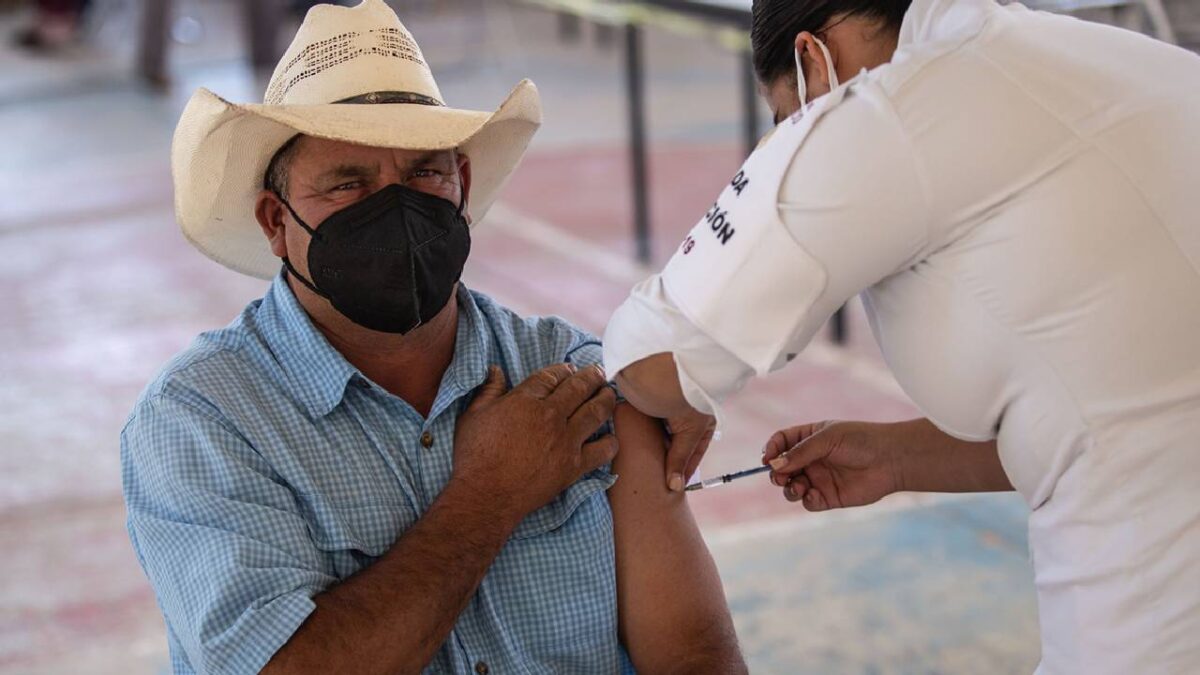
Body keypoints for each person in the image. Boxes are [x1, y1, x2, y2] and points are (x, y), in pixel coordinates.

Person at [121, 1, 744, 673]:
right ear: (276, 221)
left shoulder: (574, 378)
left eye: (423, 173)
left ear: (463, 184)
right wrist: (490, 495)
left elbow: (695, 655)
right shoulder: (204, 423)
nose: (395, 206)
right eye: (348, 183)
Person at [602, 0, 1200, 672]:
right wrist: (895, 457)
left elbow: (652, 360)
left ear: (810, 59)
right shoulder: (1096, 60)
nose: (794, 136)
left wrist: (780, 155)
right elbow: (1122, 406)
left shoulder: (894, 107)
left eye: (785, 116)